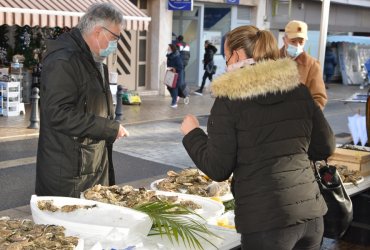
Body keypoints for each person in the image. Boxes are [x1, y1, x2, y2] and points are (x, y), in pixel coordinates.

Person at [180, 25, 335, 250]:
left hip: (266, 222)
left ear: (239, 55)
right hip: (310, 216)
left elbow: (218, 168)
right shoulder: (299, 90)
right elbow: (325, 146)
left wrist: (193, 133)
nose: (226, 62)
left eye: (227, 55)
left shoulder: (229, 101)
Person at [36, 3, 129, 198]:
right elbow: (58, 113)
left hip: (89, 166)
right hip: (70, 173)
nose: (115, 44)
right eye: (114, 38)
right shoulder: (64, 61)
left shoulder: (93, 61)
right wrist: (108, 128)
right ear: (98, 32)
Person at [280, 20, 327, 109]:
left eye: (301, 42)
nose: (297, 46)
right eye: (293, 41)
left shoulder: (312, 65)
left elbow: (319, 98)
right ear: (284, 39)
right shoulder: (272, 59)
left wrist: (303, 116)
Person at [166, 43, 183, 108]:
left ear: (172, 49)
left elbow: (180, 67)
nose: (167, 49)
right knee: (168, 87)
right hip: (170, 74)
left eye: (169, 48)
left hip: (177, 75)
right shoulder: (169, 56)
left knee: (174, 88)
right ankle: (175, 97)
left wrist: (173, 68)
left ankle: (174, 103)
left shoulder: (177, 57)